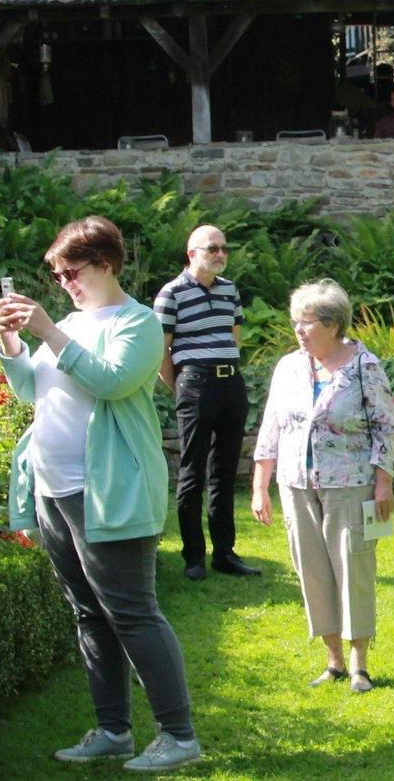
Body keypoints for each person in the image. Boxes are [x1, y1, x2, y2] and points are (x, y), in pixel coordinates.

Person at [0, 216, 203, 772]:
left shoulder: (137, 323)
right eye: (58, 275)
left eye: (71, 271)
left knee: (133, 612)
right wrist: (11, 341)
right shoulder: (67, 322)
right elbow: (28, 390)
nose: (64, 282)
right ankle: (113, 729)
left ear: (106, 264)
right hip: (54, 488)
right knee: (88, 612)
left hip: (108, 490)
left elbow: (112, 381)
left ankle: (179, 736)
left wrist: (48, 333)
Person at [251, 280, 394, 694]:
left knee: (353, 569)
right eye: (296, 321)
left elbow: (388, 428)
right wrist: (260, 484)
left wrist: (383, 482)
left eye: (308, 322)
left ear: (334, 325)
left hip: (351, 483)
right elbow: (272, 427)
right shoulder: (288, 367)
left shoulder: (363, 366)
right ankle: (333, 661)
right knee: (312, 572)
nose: (299, 330)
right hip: (296, 484)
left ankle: (359, 665)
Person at [155, 225, 260, 582]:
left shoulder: (230, 291)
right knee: (192, 473)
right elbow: (160, 353)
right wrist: (183, 388)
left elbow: (234, 339)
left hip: (230, 380)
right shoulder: (171, 294)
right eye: (213, 248)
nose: (221, 254)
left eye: (224, 249)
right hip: (195, 382)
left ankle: (225, 553)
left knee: (225, 473)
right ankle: (194, 556)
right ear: (192, 254)